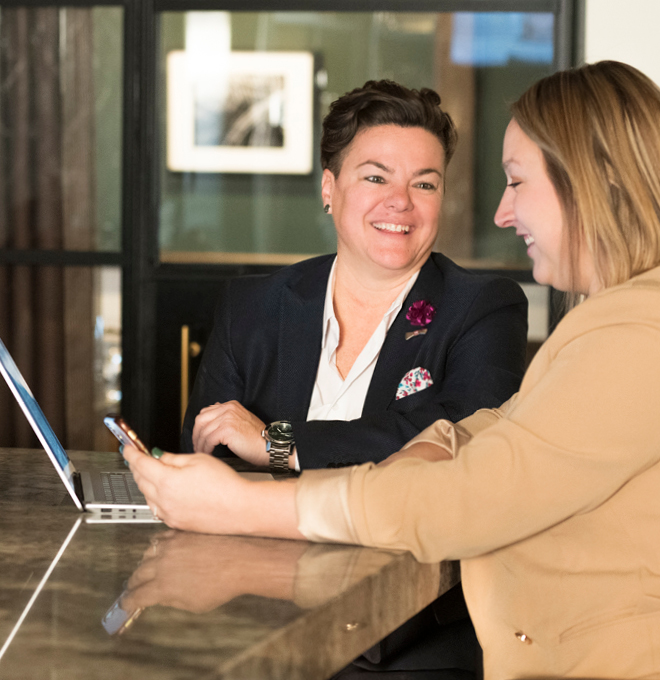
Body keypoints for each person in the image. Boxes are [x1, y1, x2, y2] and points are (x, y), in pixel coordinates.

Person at [127, 60, 660, 678]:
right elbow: (487, 430)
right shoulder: (616, 320)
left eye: (516, 183)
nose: (502, 215)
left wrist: (254, 485)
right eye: (375, 176)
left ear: (590, 183)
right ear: (329, 187)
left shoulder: (628, 331)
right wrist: (436, 444)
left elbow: (469, 493)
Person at [181, 80, 528, 474]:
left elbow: (469, 438)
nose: (401, 200)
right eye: (376, 178)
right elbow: (207, 456)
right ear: (329, 189)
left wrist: (280, 445)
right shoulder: (252, 306)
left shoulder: (484, 308)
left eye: (425, 184)